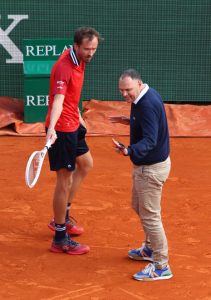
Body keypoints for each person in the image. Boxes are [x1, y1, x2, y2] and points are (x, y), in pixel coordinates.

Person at [45, 27, 103, 255]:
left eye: (94, 49)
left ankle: (64, 216)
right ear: (76, 46)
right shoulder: (64, 67)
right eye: (87, 49)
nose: (91, 53)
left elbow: (71, 95)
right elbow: (58, 99)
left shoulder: (79, 59)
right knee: (64, 180)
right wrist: (51, 129)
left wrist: (78, 116)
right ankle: (60, 237)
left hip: (73, 123)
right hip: (61, 129)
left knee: (86, 164)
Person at [111, 69, 173, 281]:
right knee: (138, 206)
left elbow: (150, 140)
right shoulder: (146, 95)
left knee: (150, 217)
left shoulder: (145, 104)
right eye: (121, 91)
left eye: (127, 90)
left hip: (151, 168)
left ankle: (161, 265)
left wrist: (128, 150)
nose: (125, 94)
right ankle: (148, 249)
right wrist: (130, 121)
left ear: (138, 84)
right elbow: (150, 123)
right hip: (149, 166)